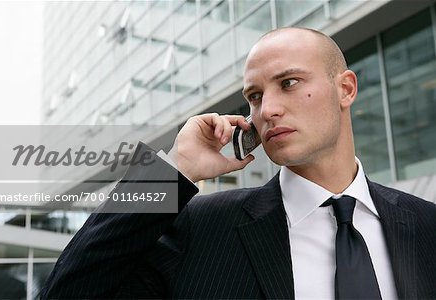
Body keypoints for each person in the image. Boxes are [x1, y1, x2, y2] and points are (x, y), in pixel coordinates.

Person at [41, 27, 436, 299]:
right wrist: (174, 169)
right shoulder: (201, 228)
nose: (269, 110)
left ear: (345, 88)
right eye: (255, 96)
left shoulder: (427, 226)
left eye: (289, 83)